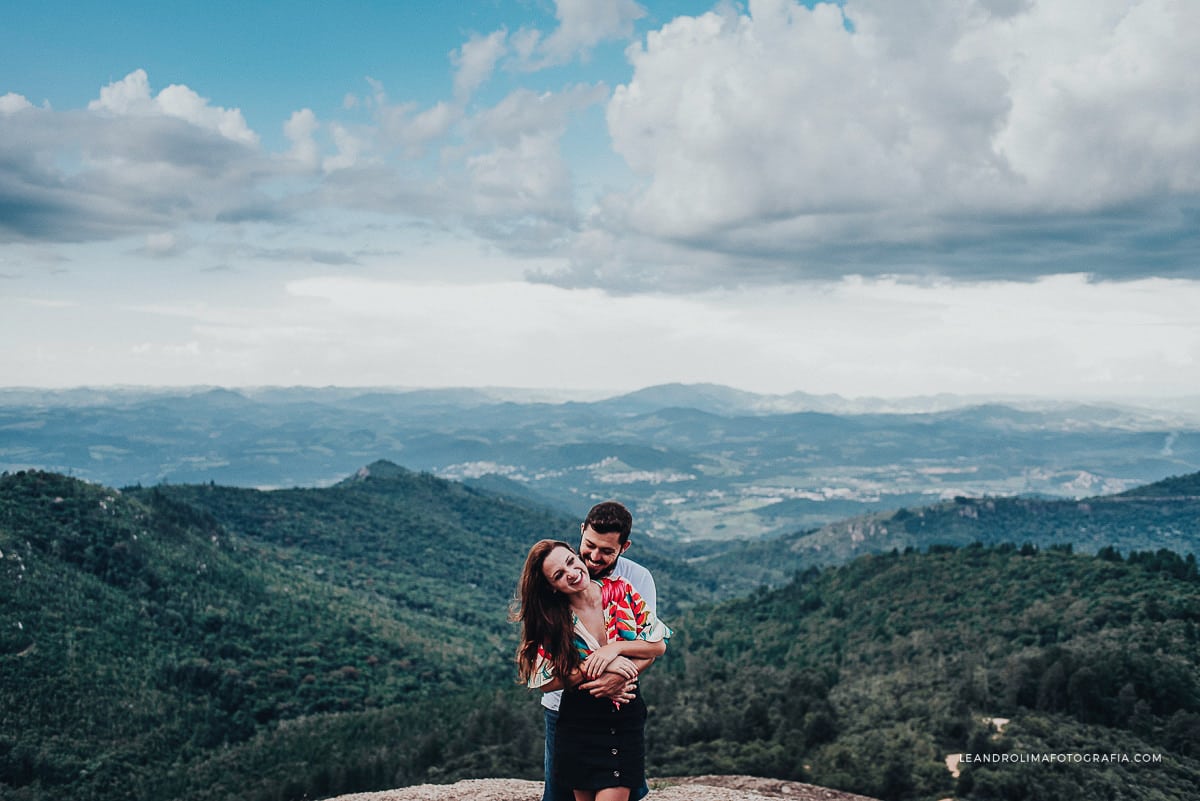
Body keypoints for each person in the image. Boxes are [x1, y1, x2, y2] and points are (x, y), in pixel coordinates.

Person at [514, 538, 671, 801]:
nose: (572, 574)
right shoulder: (553, 619)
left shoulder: (621, 590)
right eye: (559, 575)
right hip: (579, 722)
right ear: (552, 587)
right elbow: (543, 681)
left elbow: (657, 644)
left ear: (577, 556)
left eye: (571, 562)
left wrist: (614, 650)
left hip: (624, 716)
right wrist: (591, 668)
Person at [544, 502, 659, 801]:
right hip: (565, 709)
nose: (594, 558)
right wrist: (595, 678)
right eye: (589, 545)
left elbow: (649, 645)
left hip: (619, 704)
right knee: (559, 795)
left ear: (625, 546)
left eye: (607, 551)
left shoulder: (636, 580)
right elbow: (541, 665)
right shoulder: (559, 572)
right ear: (581, 531)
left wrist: (618, 675)